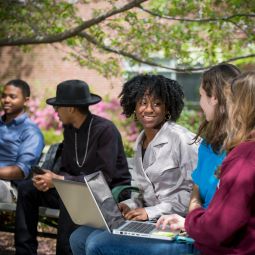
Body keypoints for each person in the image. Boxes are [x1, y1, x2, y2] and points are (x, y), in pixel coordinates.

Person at [70, 64, 241, 255]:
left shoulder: (182, 140)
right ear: (133, 106)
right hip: (150, 220)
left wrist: (149, 212)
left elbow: (197, 193)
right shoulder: (141, 141)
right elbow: (147, 194)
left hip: (173, 221)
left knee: (97, 243)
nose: (149, 109)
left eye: (157, 103)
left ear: (168, 107)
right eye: (142, 103)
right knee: (78, 237)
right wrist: (131, 206)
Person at [14, 80, 131, 255]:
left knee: (72, 197)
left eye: (58, 106)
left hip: (106, 194)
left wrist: (59, 180)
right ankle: (24, 252)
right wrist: (49, 181)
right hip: (75, 189)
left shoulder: (105, 130)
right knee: (27, 189)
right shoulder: (69, 129)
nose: (55, 111)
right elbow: (68, 168)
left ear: (71, 108)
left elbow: (103, 178)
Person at [158, 71, 255, 255]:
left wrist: (190, 219)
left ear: (243, 107)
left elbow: (218, 228)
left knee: (99, 244)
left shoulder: (244, 157)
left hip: (214, 244)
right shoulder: (237, 150)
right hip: (200, 230)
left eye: (232, 101)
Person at [0, 79, 44, 202]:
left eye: (12, 97)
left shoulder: (31, 132)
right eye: (3, 96)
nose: (6, 100)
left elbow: (20, 171)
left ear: (26, 101)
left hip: (10, 187)